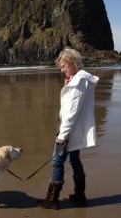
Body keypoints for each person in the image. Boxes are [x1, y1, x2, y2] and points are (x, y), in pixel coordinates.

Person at [38, 48, 99, 209]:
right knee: (74, 160)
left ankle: (52, 200)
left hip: (70, 130)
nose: (62, 70)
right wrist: (68, 84)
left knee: (57, 161)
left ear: (73, 63)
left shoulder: (79, 82)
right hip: (73, 129)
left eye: (64, 66)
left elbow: (72, 111)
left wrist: (62, 135)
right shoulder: (78, 79)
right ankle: (80, 194)